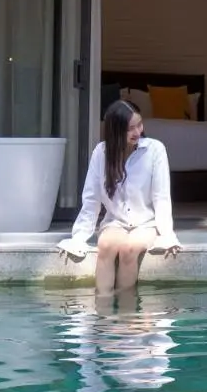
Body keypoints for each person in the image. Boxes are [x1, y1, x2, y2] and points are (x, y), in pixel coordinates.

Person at [57, 100, 182, 294]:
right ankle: (104, 314)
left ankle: (126, 314)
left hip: (146, 223)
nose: (137, 132)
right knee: (105, 245)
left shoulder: (155, 150)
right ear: (115, 131)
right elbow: (91, 198)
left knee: (129, 249)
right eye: (130, 128)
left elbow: (161, 197)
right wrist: (79, 237)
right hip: (115, 222)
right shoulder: (101, 153)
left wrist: (167, 234)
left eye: (139, 125)